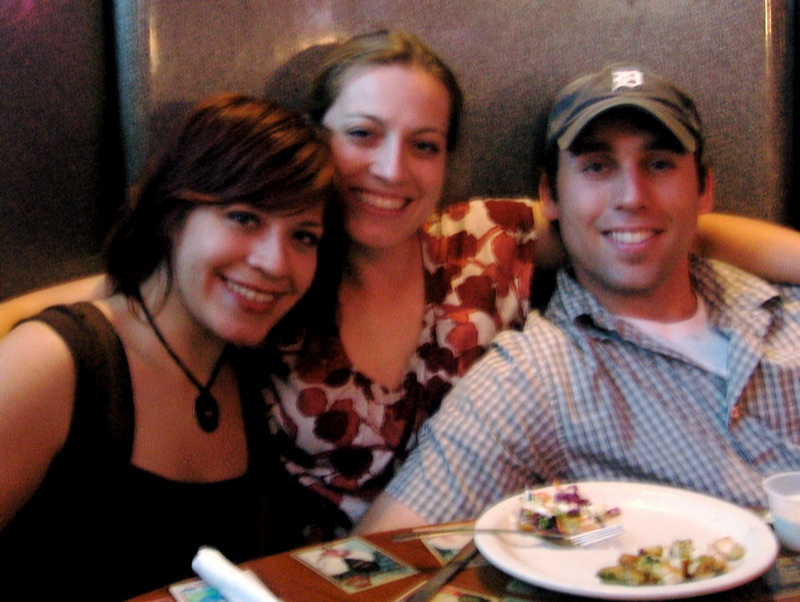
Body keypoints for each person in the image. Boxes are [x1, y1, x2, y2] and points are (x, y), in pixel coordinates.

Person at [3, 31, 800, 534]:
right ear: (313, 145)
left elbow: (639, 222)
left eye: (423, 145)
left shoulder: (482, 241)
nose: (390, 170)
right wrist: (40, 326)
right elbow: (137, 303)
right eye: (361, 135)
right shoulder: (271, 285)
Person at [354, 63, 800, 534]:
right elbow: (381, 563)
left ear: (704, 189)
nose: (632, 196)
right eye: (596, 166)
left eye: (659, 164)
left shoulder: (785, 307)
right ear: (550, 196)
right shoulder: (532, 383)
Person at [0, 94, 343, 599]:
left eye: (304, 236)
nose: (276, 263)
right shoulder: (56, 362)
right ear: (171, 214)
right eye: (244, 218)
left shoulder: (250, 366)